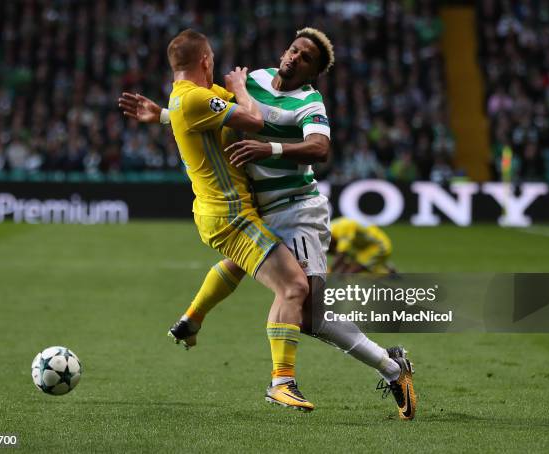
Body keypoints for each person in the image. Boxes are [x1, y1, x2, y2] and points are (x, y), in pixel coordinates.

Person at [119, 28, 416, 419]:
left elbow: (320, 147)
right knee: (258, 274)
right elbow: (204, 113)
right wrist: (161, 115)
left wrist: (271, 147)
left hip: (298, 211)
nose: (294, 57)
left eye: (305, 57)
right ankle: (386, 366)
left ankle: (390, 367)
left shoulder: (309, 100)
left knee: (310, 315)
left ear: (313, 71)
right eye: (294, 49)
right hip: (260, 209)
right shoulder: (254, 80)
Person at [121, 29, 315, 411]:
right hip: (230, 215)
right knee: (294, 287)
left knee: (239, 265)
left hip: (222, 212)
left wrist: (160, 114)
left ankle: (191, 319)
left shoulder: (186, 98)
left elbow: (200, 117)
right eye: (212, 58)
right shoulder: (195, 98)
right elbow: (255, 121)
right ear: (205, 60)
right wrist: (241, 86)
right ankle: (282, 382)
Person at [329, 217, 397, 275]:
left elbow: (341, 254)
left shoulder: (344, 229)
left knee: (349, 274)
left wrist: (330, 271)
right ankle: (387, 270)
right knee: (346, 271)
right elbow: (340, 255)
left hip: (379, 246)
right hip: (365, 248)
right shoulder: (330, 228)